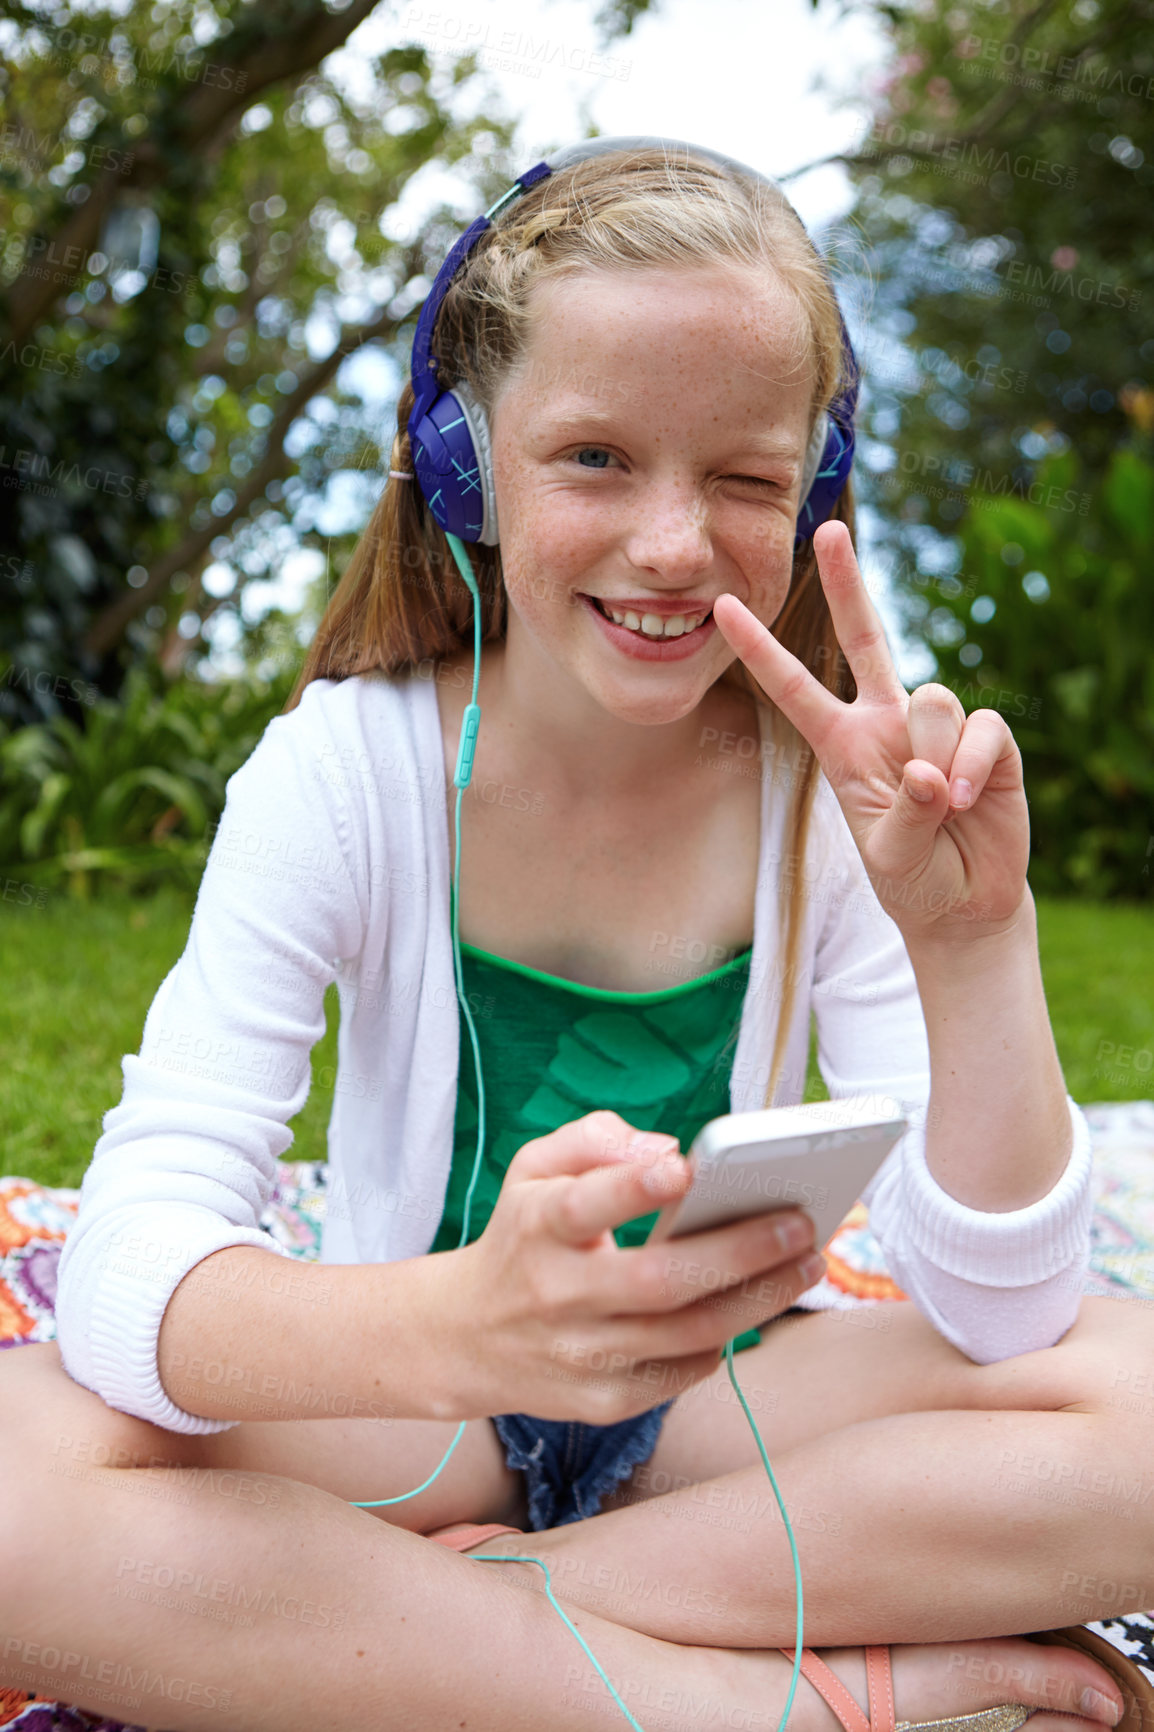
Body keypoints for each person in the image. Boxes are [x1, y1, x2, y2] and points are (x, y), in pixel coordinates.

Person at [1, 140, 1149, 1732]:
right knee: (11, 1481)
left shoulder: (828, 800)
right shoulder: (341, 772)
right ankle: (780, 1701)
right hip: (421, 1413)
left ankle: (451, 1635)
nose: (672, 544)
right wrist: (458, 1324)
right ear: (465, 469)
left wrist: (974, 944)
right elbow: (130, 1276)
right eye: (595, 457)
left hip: (725, 1416)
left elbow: (1001, 1317)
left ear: (809, 491)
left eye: (742, 480)